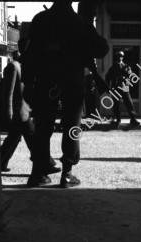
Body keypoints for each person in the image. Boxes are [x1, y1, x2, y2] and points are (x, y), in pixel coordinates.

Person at [23, 0, 109, 188]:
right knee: (72, 126)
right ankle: (67, 174)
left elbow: (29, 54)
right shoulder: (80, 22)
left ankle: (37, 172)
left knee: (43, 127)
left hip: (46, 82)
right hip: (72, 83)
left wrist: (28, 84)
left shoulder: (40, 19)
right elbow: (102, 49)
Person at [0, 45, 59, 177]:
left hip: (23, 108)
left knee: (13, 138)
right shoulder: (14, 66)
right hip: (19, 110)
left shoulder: (24, 67)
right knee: (33, 136)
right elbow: (7, 93)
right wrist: (8, 113)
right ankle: (46, 164)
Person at [105, 51, 140, 128]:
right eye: (119, 56)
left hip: (124, 87)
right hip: (116, 87)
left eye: (121, 56)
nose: (120, 58)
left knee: (129, 103)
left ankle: (133, 118)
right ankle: (118, 119)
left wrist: (128, 71)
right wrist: (108, 87)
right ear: (116, 57)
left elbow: (131, 75)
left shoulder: (126, 66)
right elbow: (107, 77)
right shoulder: (113, 67)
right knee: (116, 104)